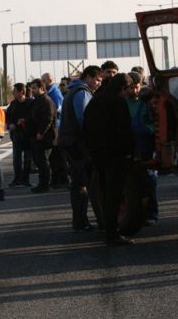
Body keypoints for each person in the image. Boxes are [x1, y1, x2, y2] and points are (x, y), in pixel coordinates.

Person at [84, 73, 135, 246]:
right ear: (123, 88)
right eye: (128, 90)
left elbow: (86, 127)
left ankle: (107, 228)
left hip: (98, 154)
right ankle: (112, 234)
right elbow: (124, 130)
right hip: (116, 155)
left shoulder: (95, 101)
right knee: (114, 194)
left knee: (105, 193)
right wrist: (129, 151)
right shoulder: (118, 102)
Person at [58, 65, 102, 232]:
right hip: (77, 144)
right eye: (97, 80)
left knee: (79, 182)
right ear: (88, 77)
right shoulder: (82, 93)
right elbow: (84, 119)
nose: (98, 83)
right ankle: (81, 221)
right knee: (81, 183)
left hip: (69, 142)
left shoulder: (72, 91)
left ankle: (80, 220)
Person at [126, 71, 158, 225]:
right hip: (131, 147)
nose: (134, 91)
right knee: (133, 184)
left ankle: (152, 214)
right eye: (131, 88)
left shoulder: (147, 101)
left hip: (146, 146)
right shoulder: (124, 102)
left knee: (150, 182)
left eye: (137, 87)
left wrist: (149, 129)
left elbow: (155, 122)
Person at [28, 78, 57, 193]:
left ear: (41, 88)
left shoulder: (46, 100)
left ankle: (45, 184)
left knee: (43, 161)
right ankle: (43, 183)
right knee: (39, 160)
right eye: (32, 88)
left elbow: (47, 118)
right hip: (37, 135)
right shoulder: (37, 100)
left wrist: (41, 132)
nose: (32, 90)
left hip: (45, 136)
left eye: (34, 88)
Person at [42, 72, 69, 188]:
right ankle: (57, 178)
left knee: (58, 155)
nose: (42, 83)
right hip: (54, 128)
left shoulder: (55, 93)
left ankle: (62, 178)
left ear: (50, 80)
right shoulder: (50, 92)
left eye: (44, 80)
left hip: (57, 128)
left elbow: (58, 110)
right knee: (54, 156)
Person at [6, 83, 32, 187]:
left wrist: (25, 120)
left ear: (21, 92)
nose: (13, 93)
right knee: (16, 158)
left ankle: (25, 179)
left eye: (15, 91)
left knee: (28, 159)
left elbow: (34, 116)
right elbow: (7, 117)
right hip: (16, 135)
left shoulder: (30, 103)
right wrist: (10, 124)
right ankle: (17, 178)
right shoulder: (13, 104)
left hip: (28, 135)